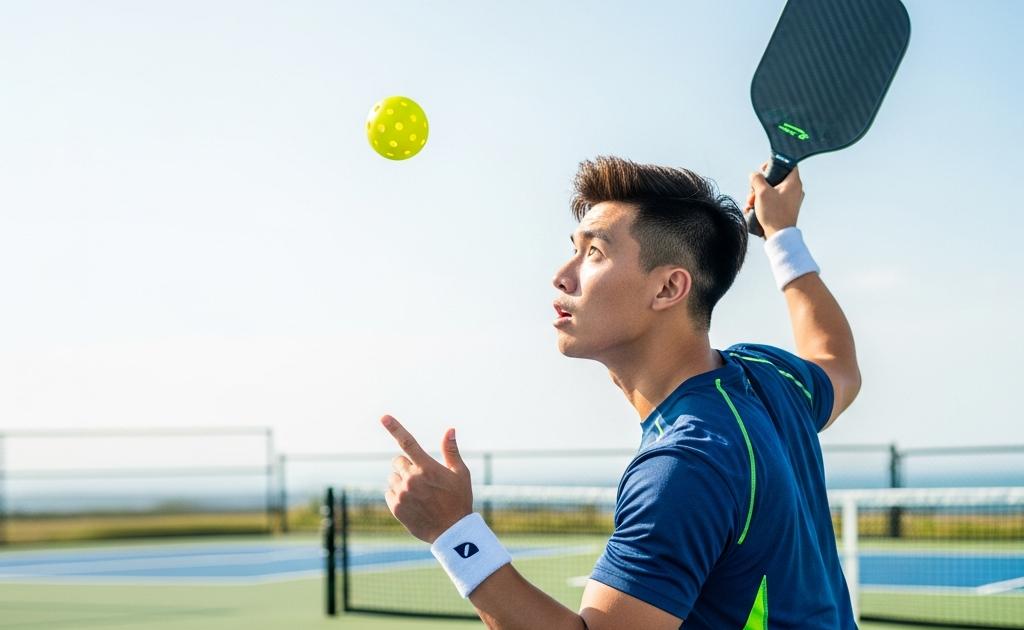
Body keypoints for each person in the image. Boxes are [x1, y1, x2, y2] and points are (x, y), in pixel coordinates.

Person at [380, 155, 860, 629]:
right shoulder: (766, 375)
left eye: (594, 253)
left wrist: (455, 533)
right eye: (574, 247)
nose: (562, 275)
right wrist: (782, 234)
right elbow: (837, 365)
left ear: (669, 288)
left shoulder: (685, 465)